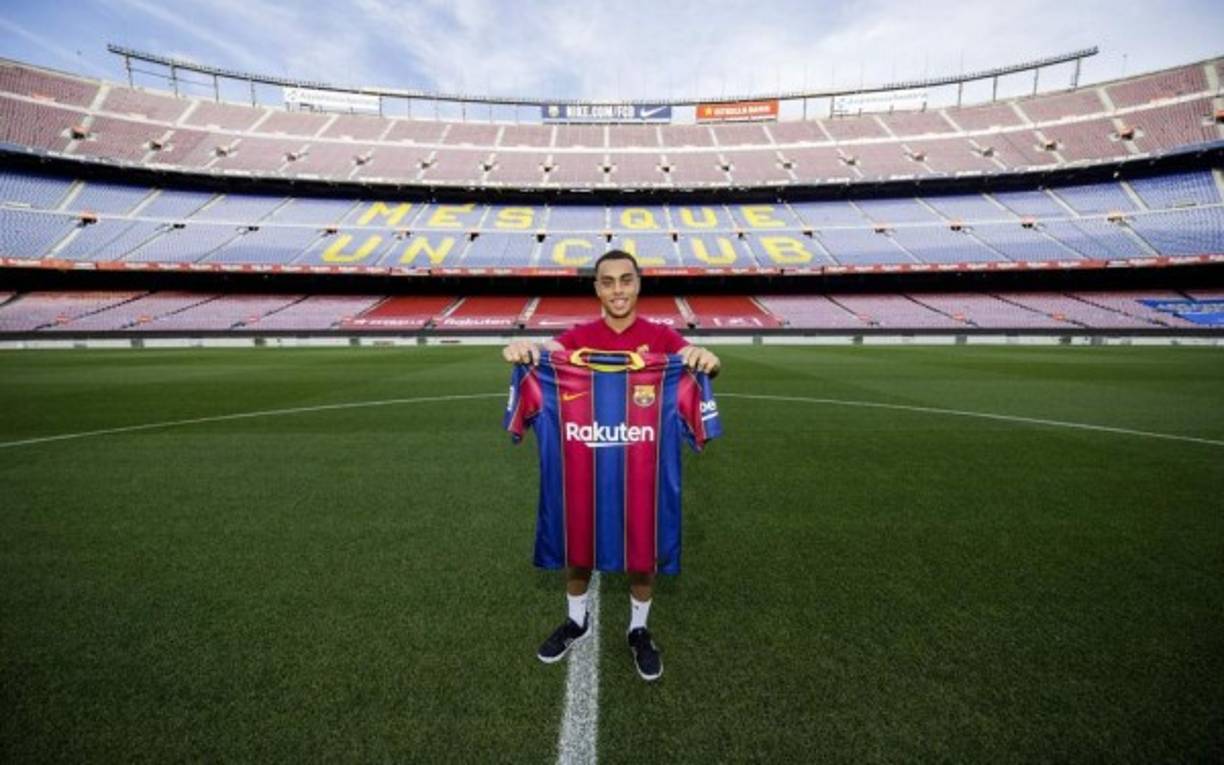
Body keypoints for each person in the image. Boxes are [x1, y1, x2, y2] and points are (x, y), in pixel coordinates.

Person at [502, 249, 720, 681]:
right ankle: (576, 621)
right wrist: (526, 348)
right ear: (597, 288)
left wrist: (708, 360)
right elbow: (547, 352)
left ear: (638, 284)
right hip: (582, 473)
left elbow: (695, 358)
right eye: (608, 281)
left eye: (626, 280)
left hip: (642, 476)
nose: (618, 290)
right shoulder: (577, 337)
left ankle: (638, 629)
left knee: (643, 552)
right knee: (577, 545)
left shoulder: (663, 339)